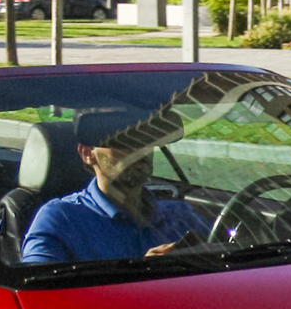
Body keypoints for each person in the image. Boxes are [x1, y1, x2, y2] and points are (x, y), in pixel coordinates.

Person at [19, 107, 210, 265]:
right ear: (87, 153)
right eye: (123, 139)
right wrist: (141, 274)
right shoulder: (60, 219)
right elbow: (38, 291)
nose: (139, 149)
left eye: (146, 138)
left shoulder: (181, 216)